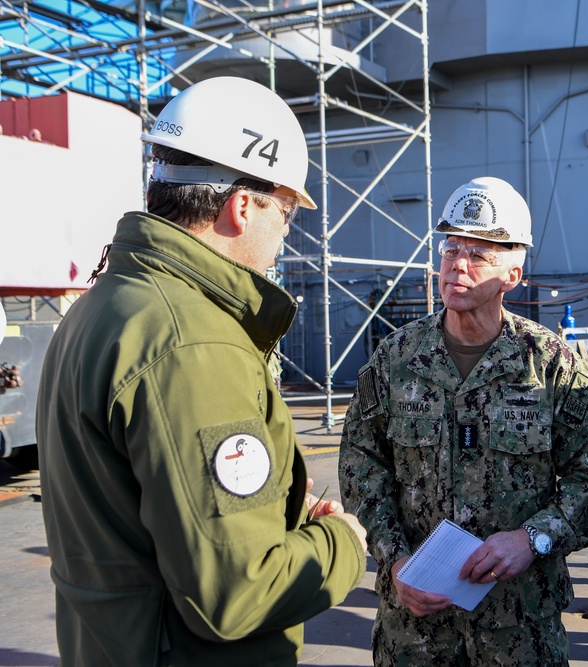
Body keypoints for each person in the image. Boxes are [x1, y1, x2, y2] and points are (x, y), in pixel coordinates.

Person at [36, 77, 368, 667]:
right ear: (243, 205)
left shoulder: (105, 305)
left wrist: (280, 511)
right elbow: (237, 593)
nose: (285, 234)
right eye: (286, 211)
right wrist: (341, 543)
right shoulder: (194, 342)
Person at [337, 176, 588, 666]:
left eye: (479, 254)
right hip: (415, 631)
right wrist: (394, 560)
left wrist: (532, 538)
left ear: (513, 273)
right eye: (451, 249)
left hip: (520, 629)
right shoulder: (394, 359)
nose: (458, 266)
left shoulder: (552, 364)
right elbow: (361, 465)